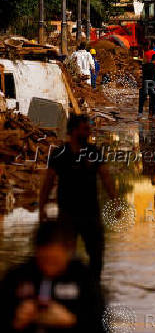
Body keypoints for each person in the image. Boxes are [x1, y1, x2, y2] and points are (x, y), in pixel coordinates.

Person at [40, 114, 116, 278]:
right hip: (67, 213)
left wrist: (115, 203)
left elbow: (106, 178)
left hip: (91, 213)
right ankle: (69, 289)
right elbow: (47, 183)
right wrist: (42, 209)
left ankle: (93, 289)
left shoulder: (94, 152)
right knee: (67, 254)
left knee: (97, 255)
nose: (89, 132)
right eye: (85, 129)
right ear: (74, 131)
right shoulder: (59, 154)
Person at [0, 221, 101, 332]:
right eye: (43, 260)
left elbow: (99, 323)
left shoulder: (84, 278)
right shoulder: (17, 276)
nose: (48, 268)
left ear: (69, 252)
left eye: (55, 261)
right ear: (36, 251)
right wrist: (17, 321)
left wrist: (71, 320)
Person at [138, 54, 155, 120]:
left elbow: (140, 74)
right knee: (153, 99)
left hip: (145, 83)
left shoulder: (144, 66)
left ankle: (140, 114)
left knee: (142, 100)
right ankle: (154, 114)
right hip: (153, 84)